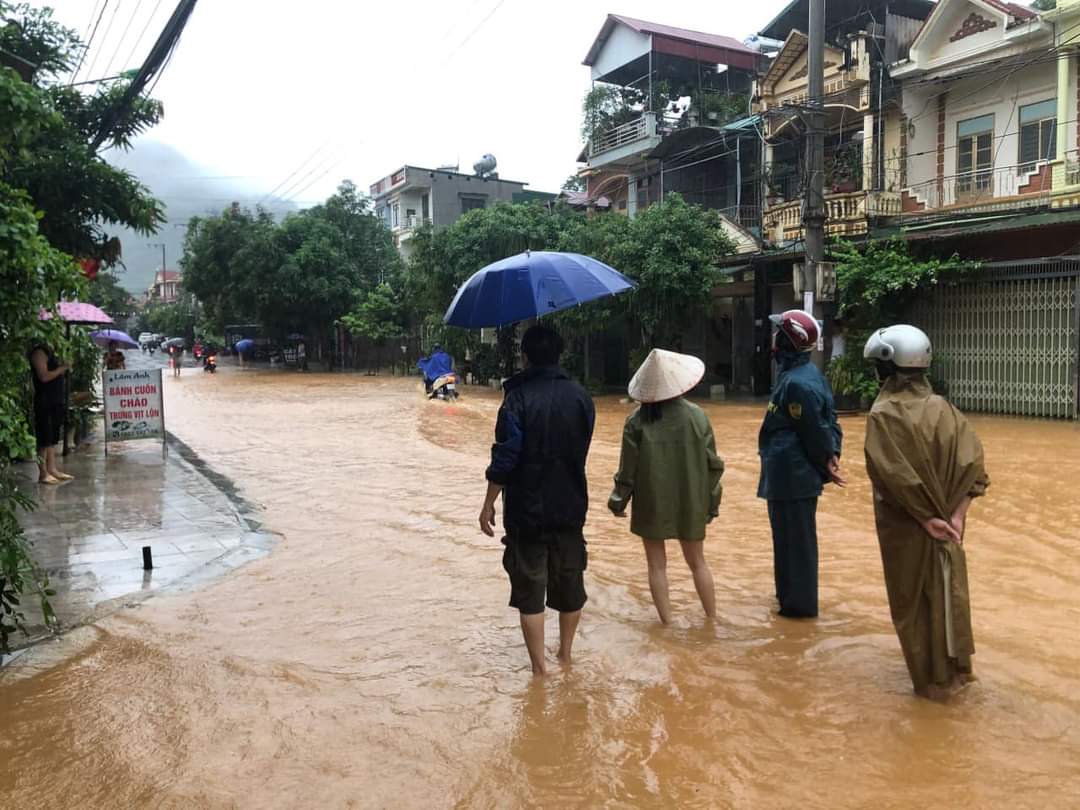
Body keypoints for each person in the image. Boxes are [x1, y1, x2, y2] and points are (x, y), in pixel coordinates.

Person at [863, 325, 989, 700]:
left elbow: (892, 479)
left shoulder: (884, 415)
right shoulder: (946, 410)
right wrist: (957, 515)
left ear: (886, 369)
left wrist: (924, 519)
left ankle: (932, 690)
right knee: (948, 592)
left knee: (914, 606)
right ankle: (955, 679)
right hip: (949, 527)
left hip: (909, 532)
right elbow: (976, 471)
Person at [479, 325, 595, 676]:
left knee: (530, 589)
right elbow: (581, 447)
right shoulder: (581, 397)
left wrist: (488, 503)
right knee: (571, 584)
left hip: (527, 512)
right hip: (571, 506)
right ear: (560, 354)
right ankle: (566, 655)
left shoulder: (516, 399)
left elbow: (505, 457)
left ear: (524, 356)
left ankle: (540, 671)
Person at [608, 349, 725, 624]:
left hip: (652, 501)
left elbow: (628, 470)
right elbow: (714, 466)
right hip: (692, 499)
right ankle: (712, 620)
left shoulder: (636, 421)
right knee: (698, 562)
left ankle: (668, 624)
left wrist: (618, 501)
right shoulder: (698, 417)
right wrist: (712, 503)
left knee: (656, 565)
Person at [757, 310, 844, 619]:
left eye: (778, 333)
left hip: (793, 475)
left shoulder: (796, 384)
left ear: (787, 341)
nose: (773, 339)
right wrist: (831, 455)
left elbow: (815, 429)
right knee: (789, 542)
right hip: (788, 475)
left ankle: (799, 609)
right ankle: (788, 600)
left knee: (795, 545)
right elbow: (828, 423)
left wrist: (828, 460)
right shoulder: (805, 376)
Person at [28, 341, 72, 484]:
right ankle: (43, 473)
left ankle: (52, 469)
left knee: (52, 437)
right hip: (44, 401)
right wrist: (62, 368)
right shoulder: (38, 352)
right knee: (44, 438)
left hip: (55, 400)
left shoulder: (52, 352)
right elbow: (44, 376)